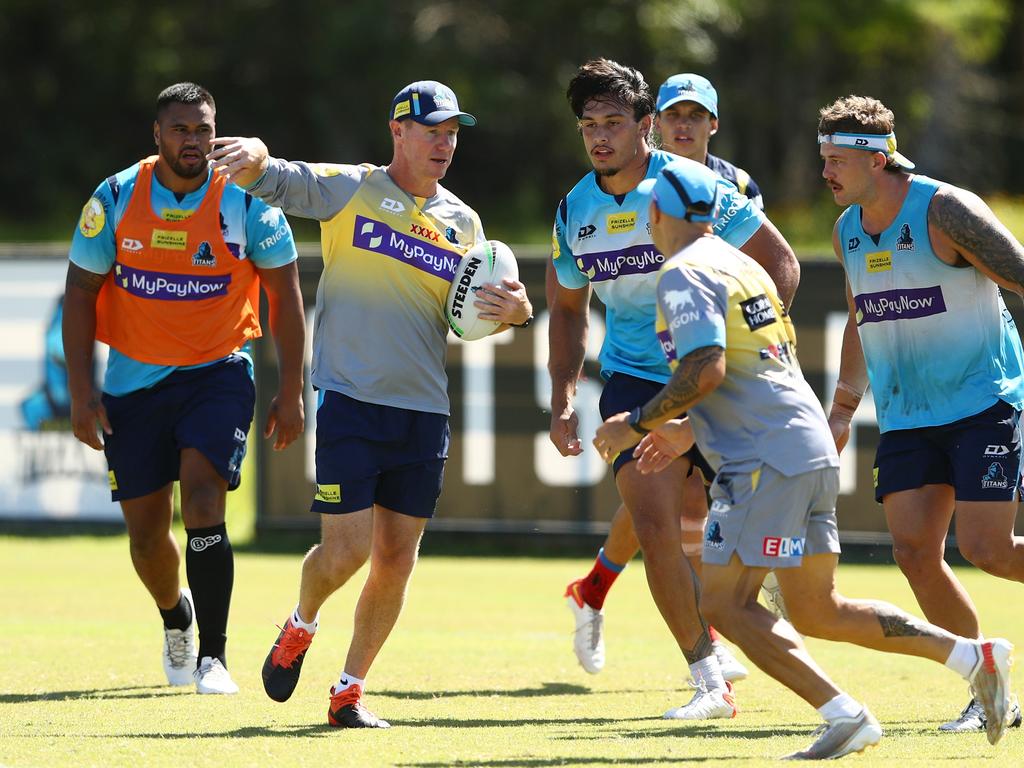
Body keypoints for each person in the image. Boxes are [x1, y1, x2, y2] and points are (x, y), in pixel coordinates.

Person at [593, 156, 1015, 758]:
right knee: (818, 609)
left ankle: (844, 715)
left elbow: (707, 367)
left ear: (654, 212)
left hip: (763, 460)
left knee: (723, 603)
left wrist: (636, 421)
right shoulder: (742, 265)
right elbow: (756, 369)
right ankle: (975, 655)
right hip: (804, 449)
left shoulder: (683, 274)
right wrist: (688, 430)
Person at [207, 80, 533, 728]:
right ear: (398, 132)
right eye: (433, 130)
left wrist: (515, 314)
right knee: (346, 552)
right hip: (350, 397)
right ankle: (301, 622)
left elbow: (466, 317)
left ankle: (349, 691)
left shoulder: (464, 223)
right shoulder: (352, 188)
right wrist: (256, 157)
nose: (445, 143)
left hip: (423, 410)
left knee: (395, 561)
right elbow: (282, 180)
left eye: (453, 133)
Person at [550, 58, 799, 718]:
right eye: (588, 125)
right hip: (632, 379)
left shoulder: (693, 185)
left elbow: (779, 265)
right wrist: (564, 395)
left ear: (645, 126)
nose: (600, 137)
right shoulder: (573, 209)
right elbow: (569, 309)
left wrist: (750, 347)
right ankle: (706, 678)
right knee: (655, 522)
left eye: (613, 122)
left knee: (726, 526)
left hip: (714, 372)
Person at [64, 82, 305, 695]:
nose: (193, 141)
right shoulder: (115, 197)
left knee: (202, 502)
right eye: (180, 130)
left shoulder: (247, 201)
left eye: (202, 129)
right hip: (132, 381)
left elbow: (285, 295)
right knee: (146, 538)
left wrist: (290, 390)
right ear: (157, 134)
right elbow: (80, 293)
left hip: (217, 372)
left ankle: (214, 658)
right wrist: (81, 391)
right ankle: (176, 615)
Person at [819, 94, 1024, 733]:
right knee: (913, 550)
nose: (824, 172)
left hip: (982, 400)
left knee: (987, 549)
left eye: (835, 160)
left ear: (877, 160)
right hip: (907, 415)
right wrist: (844, 407)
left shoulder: (946, 209)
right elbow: (861, 317)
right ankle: (988, 690)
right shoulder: (848, 226)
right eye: (820, 158)